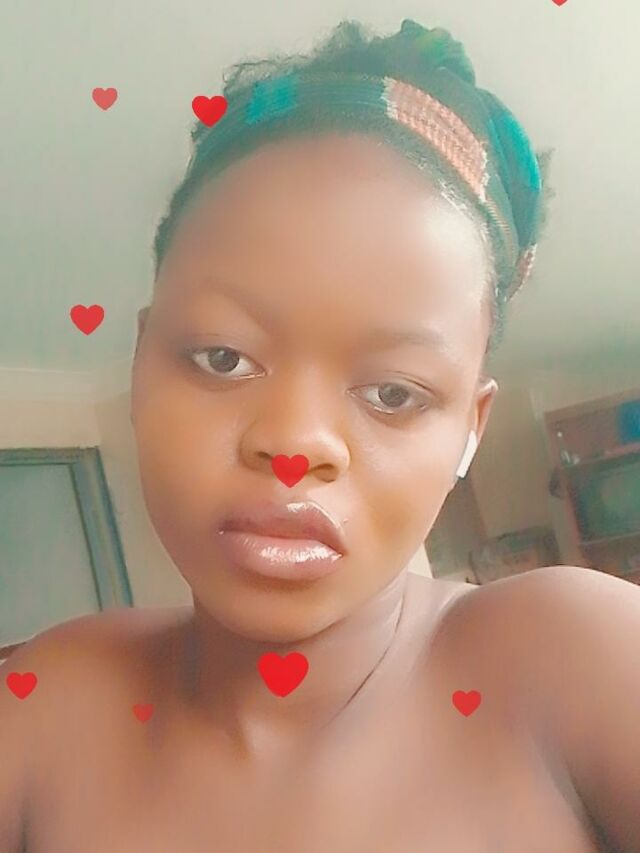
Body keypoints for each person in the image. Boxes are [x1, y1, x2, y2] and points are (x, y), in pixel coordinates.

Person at [1, 18, 639, 853]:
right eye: (224, 357)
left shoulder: (579, 658)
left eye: (393, 392)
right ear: (142, 362)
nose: (296, 444)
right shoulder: (44, 702)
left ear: (469, 431)